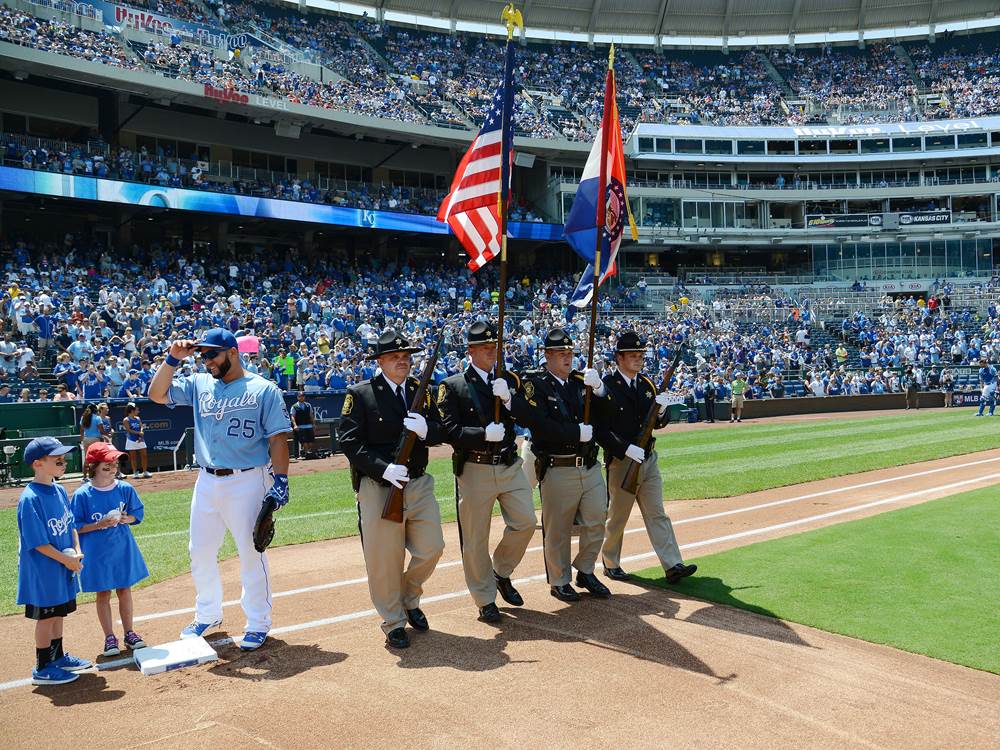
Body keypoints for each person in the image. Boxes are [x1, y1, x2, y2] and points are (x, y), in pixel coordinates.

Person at [147, 328, 292, 651]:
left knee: (251, 552)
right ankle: (208, 614)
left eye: (213, 354)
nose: (207, 360)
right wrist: (173, 358)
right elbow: (157, 394)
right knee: (199, 551)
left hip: (248, 478)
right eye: (203, 355)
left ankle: (257, 622)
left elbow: (278, 439)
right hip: (207, 479)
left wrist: (280, 480)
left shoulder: (263, 389)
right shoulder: (200, 384)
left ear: (233, 352)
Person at [337, 330, 446, 649]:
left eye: (407, 357)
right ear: (381, 361)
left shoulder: (420, 389)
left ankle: (409, 597)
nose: (403, 361)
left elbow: (442, 428)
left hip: (418, 481)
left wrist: (427, 431)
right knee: (384, 559)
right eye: (396, 357)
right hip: (380, 486)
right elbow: (349, 442)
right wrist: (383, 467)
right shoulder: (361, 394)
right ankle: (394, 620)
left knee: (433, 546)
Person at [436, 321, 536, 623]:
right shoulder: (452, 386)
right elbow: (447, 430)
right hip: (475, 468)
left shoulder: (508, 380)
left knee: (526, 522)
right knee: (475, 538)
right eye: (485, 348)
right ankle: (484, 597)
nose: (492, 352)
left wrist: (508, 399)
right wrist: (481, 434)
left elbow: (530, 415)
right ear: (470, 351)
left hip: (508, 464)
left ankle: (500, 572)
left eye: (495, 347)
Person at [520, 328, 613, 602]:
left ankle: (585, 570)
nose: (567, 358)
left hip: (589, 464)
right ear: (547, 355)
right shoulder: (535, 384)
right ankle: (559, 580)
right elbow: (539, 424)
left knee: (597, 519)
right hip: (558, 465)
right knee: (558, 529)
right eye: (561, 353)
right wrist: (574, 433)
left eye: (570, 353)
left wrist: (600, 390)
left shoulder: (579, 381)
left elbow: (607, 413)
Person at [597, 332, 697, 585]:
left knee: (657, 513)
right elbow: (600, 429)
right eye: (633, 355)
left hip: (648, 459)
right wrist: (624, 449)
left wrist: (662, 409)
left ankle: (673, 564)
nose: (639, 359)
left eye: (641, 355)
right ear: (619, 358)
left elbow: (659, 423)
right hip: (622, 462)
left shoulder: (647, 385)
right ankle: (610, 562)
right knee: (617, 516)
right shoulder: (607, 386)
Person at [16, 437, 92, 685]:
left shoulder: (59, 490)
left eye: (64, 457)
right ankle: (43, 666)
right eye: (56, 458)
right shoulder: (30, 498)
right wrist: (65, 560)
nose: (63, 461)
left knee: (59, 612)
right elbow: (37, 542)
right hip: (44, 569)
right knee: (47, 616)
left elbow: (70, 526)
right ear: (37, 463)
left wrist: (76, 550)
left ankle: (57, 657)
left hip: (63, 565)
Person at [72, 442, 149, 657]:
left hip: (121, 547)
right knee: (103, 593)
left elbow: (137, 514)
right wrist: (98, 525)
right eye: (106, 466)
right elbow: (75, 526)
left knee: (124, 589)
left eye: (114, 464)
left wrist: (128, 518)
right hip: (97, 552)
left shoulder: (124, 488)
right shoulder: (82, 494)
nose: (112, 469)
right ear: (93, 466)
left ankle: (129, 632)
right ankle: (109, 636)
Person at [122, 402, 152, 478]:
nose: (138, 411)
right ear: (132, 410)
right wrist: (138, 433)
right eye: (137, 410)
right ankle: (135, 473)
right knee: (133, 457)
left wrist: (141, 431)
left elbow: (141, 426)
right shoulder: (126, 420)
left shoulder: (138, 418)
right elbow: (128, 430)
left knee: (144, 455)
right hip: (131, 440)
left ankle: (145, 472)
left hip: (140, 439)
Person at [290, 391, 316, 458]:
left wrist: (313, 424)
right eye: (300, 396)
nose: (301, 397)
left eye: (303, 396)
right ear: (297, 397)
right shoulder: (294, 406)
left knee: (311, 441)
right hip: (300, 427)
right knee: (304, 441)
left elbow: (311, 415)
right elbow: (293, 416)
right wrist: (295, 425)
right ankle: (307, 453)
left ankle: (309, 453)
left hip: (309, 426)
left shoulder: (308, 405)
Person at [79, 404, 103, 478]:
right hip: (95, 440)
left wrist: (82, 439)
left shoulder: (83, 417)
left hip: (86, 439)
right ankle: (94, 476)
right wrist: (107, 435)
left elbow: (81, 430)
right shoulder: (98, 418)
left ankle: (85, 477)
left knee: (87, 458)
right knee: (96, 458)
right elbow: (101, 430)